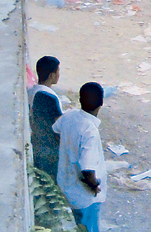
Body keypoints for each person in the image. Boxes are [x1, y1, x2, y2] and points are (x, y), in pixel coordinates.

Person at [54, 82, 108, 232]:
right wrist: (95, 185)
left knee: (75, 223)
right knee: (88, 227)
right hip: (85, 196)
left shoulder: (70, 116)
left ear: (80, 99)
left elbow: (55, 130)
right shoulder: (90, 131)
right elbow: (87, 169)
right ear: (101, 103)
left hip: (65, 184)